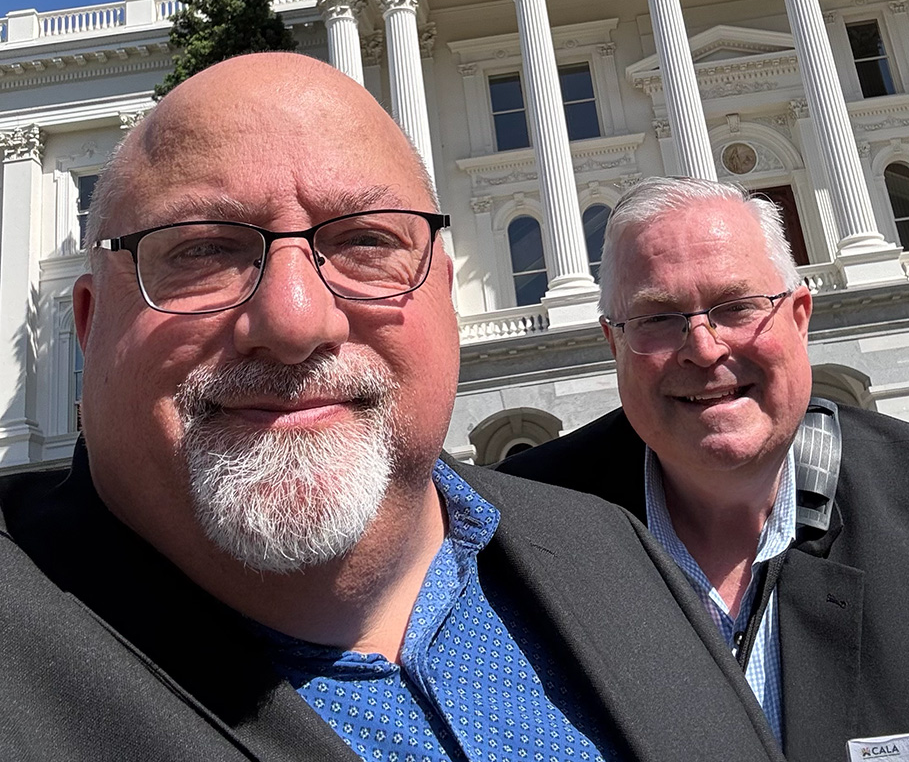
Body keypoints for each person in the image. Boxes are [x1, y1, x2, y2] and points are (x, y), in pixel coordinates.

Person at [0, 59, 784, 762]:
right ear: (89, 320)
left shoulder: (615, 550)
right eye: (204, 250)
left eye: (366, 242)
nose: (296, 320)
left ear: (443, 293)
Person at [501, 176, 909, 762]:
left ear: (799, 316)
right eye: (657, 317)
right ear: (613, 342)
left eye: (736, 307)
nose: (703, 348)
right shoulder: (512, 538)